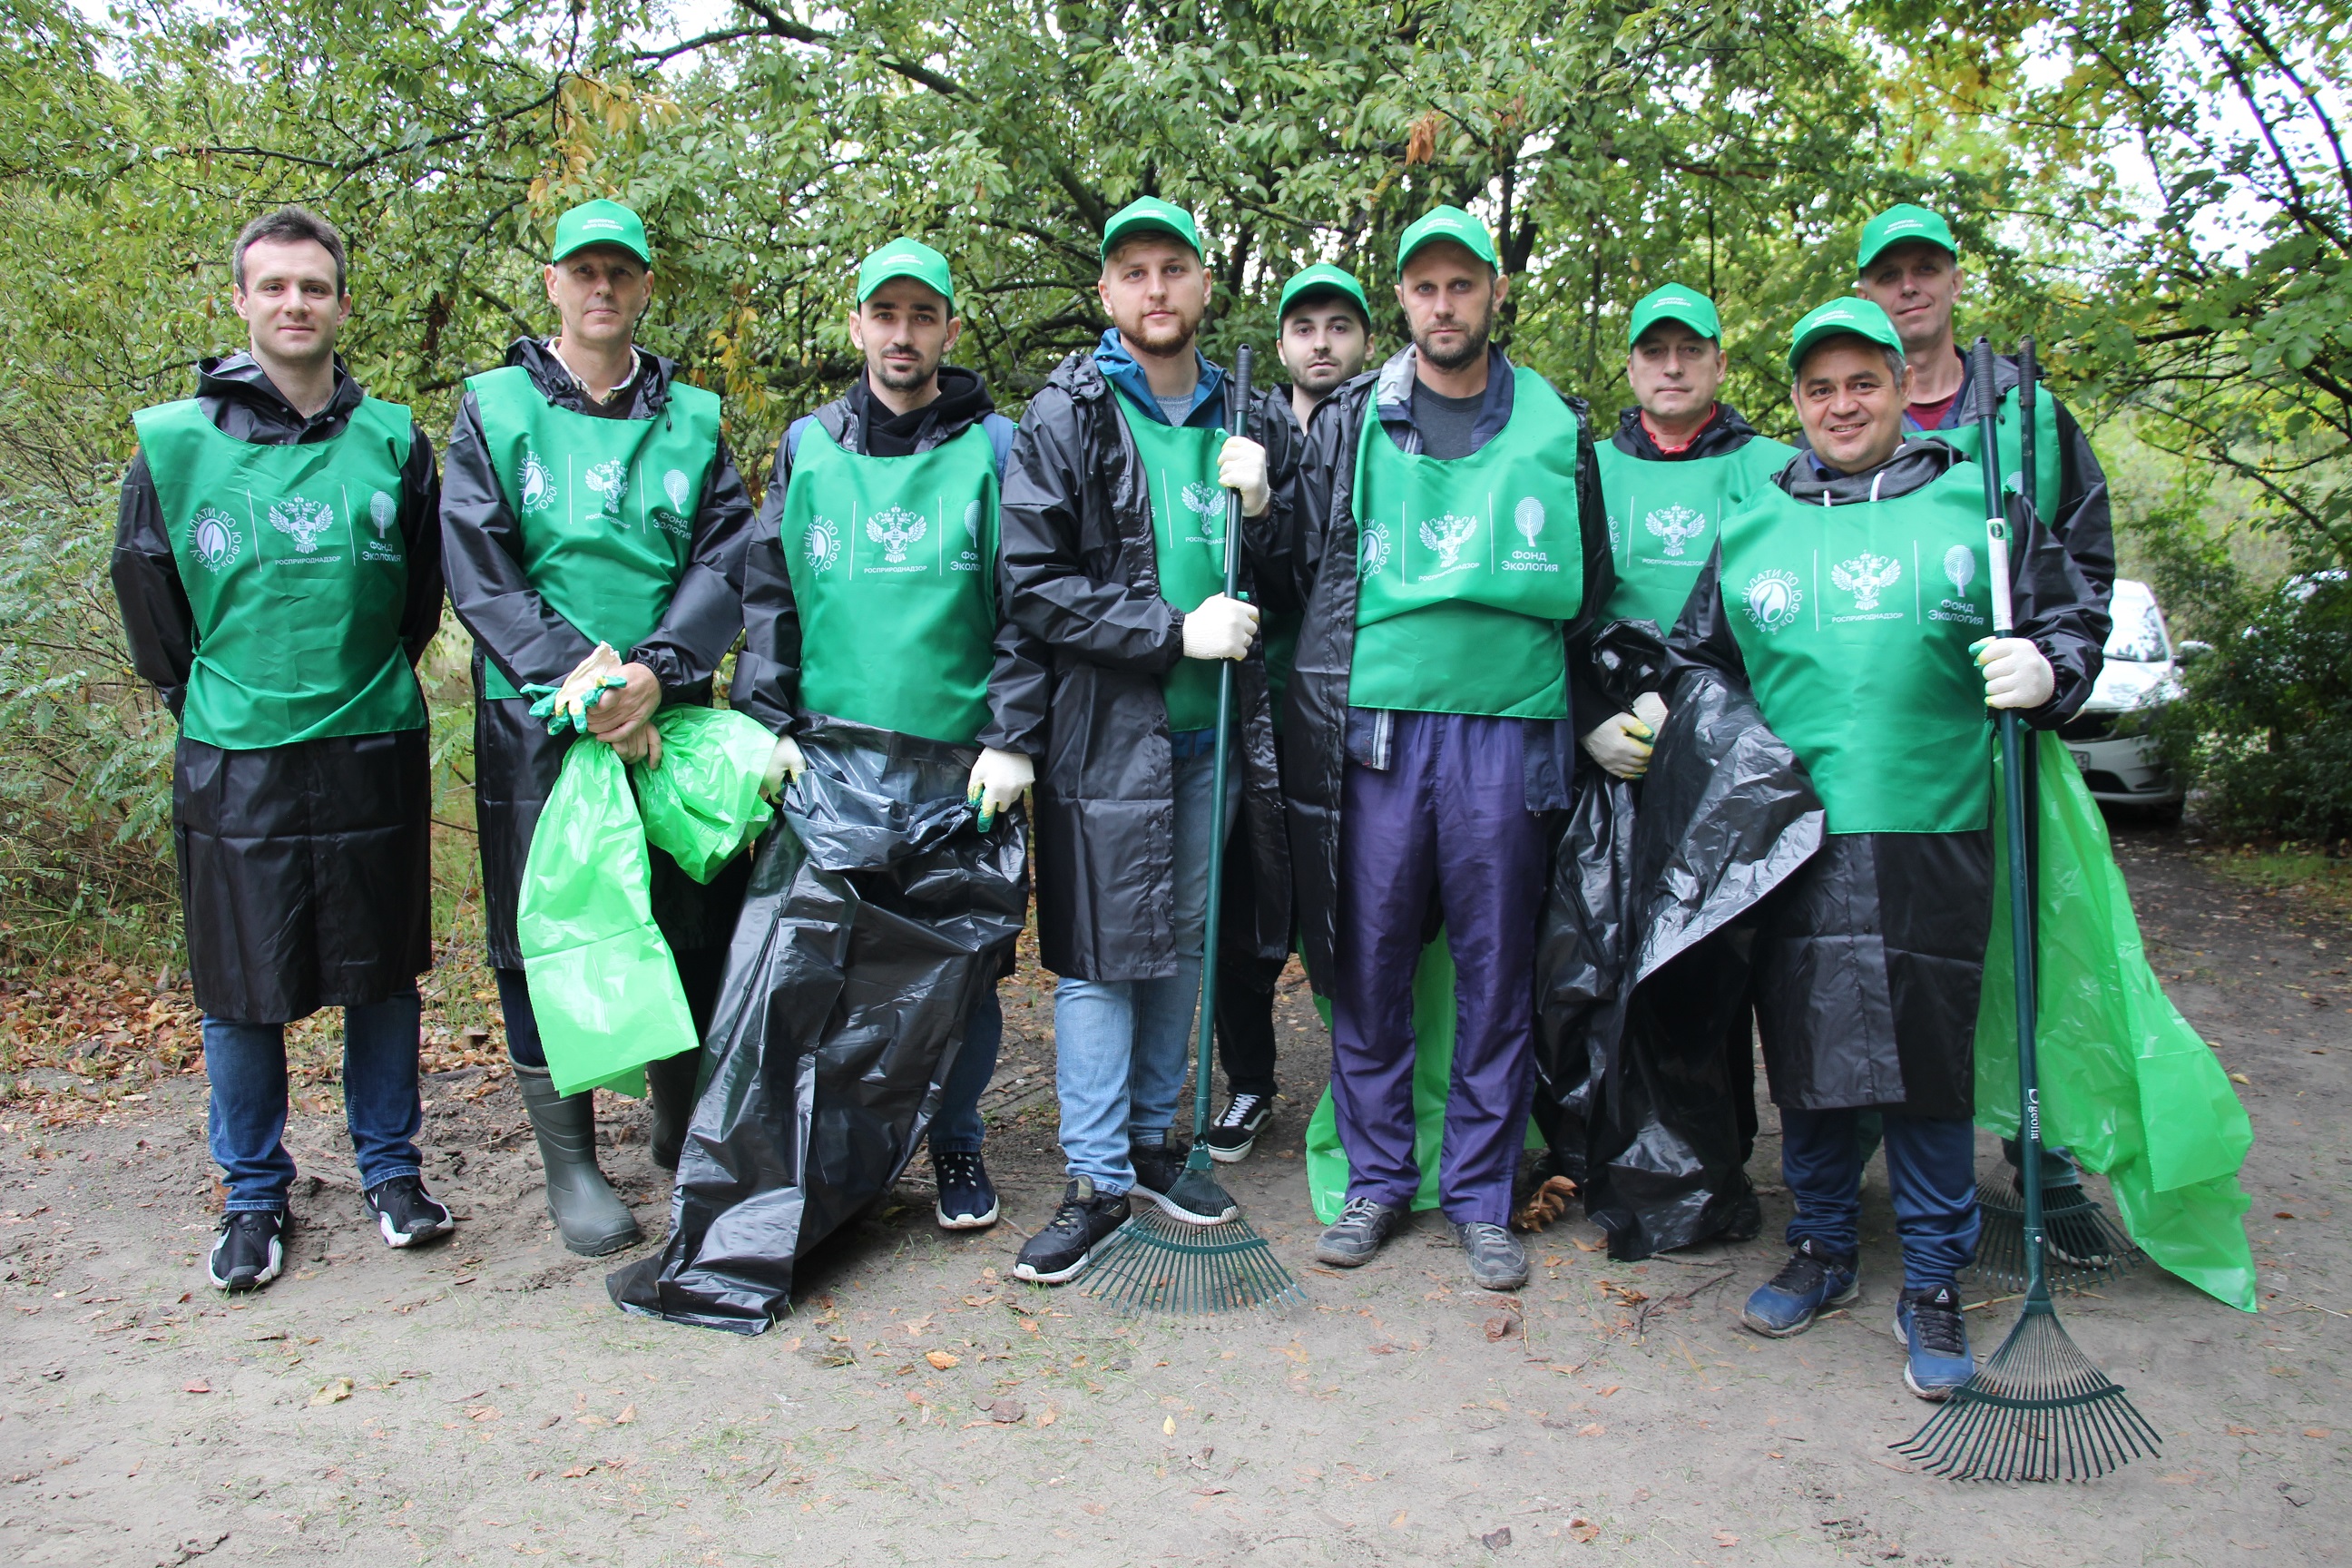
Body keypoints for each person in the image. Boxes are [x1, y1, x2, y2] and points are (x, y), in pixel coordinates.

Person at [1668, 299, 2106, 1399]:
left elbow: (2071, 622)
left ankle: (1934, 1278)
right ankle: (1820, 1246)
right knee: (1807, 1050)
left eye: (1862, 382)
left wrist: (2050, 674)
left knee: (1925, 1057)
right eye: (1819, 389)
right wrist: (1725, 742)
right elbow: (1696, 660)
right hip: (1794, 834)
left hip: (1935, 826)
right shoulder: (1756, 521)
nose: (1841, 405)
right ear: (1799, 405)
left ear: (1902, 389)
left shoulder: (1981, 506)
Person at [113, 206, 450, 1292]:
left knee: (382, 975)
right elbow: (153, 609)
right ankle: (252, 1196)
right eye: (275, 288)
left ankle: (392, 1174)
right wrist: (220, 700)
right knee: (241, 985)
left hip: (371, 739)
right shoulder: (172, 445)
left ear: (342, 304)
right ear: (242, 302)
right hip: (235, 754)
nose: (296, 304)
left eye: (315, 287)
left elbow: (419, 598)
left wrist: (355, 679)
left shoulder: (394, 438)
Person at [1285, 206, 1615, 1292]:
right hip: (1378, 729)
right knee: (1372, 968)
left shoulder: (1557, 425)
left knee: (1494, 974)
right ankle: (1380, 1181)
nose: (1443, 305)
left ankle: (1480, 1195)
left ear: (1494, 294)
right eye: (1424, 288)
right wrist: (1251, 501)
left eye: (1462, 285)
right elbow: (1300, 561)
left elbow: (1594, 587)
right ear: (1404, 301)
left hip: (1509, 731)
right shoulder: (1351, 420)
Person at [441, 199, 758, 1257]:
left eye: (622, 272)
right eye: (584, 271)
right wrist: (584, 686)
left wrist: (657, 677)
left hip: (668, 711)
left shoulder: (697, 422)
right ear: (553, 285)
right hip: (538, 723)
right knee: (546, 934)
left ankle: (679, 1112)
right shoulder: (493, 411)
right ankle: (571, 1163)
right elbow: (480, 568)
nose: (603, 290)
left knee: (689, 914)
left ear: (645, 288)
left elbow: (726, 557)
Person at [998, 197, 1293, 1284]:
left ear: (1204, 285)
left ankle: (1154, 1145)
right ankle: (1091, 1182)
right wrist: (1173, 630)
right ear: (1108, 295)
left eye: (1176, 268)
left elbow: (1301, 570)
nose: (1157, 288)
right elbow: (1034, 587)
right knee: (1094, 959)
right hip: (1104, 737)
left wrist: (1266, 506)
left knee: (1181, 941)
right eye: (1135, 272)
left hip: (1213, 736)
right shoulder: (1066, 414)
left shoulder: (1244, 414)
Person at [733, 237, 1044, 1232]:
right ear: (858, 324)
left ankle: (955, 1145)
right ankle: (837, 1157)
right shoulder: (808, 444)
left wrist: (1014, 732)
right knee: (825, 961)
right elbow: (770, 588)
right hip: (832, 756)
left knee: (963, 969)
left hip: (960, 765)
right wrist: (765, 720)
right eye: (886, 314)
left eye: (923, 315)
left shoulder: (997, 448)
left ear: (950, 329)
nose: (902, 333)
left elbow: (1022, 601)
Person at [1851, 202, 2117, 1208]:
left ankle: (2039, 1157)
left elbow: (2082, 569)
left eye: (1925, 269)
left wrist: (2056, 675)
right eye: (1889, 274)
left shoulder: (2027, 415)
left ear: (1956, 279)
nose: (1909, 287)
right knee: (1879, 945)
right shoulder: (1845, 409)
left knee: (2015, 940)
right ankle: (1873, 1142)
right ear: (1868, 292)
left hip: (1999, 732)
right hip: (1885, 738)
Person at [1590, 283, 1798, 1180]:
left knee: (1729, 959)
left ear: (1719, 362)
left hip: (1734, 759)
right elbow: (1564, 605)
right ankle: (1609, 1146)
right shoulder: (1585, 465)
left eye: (1690, 351)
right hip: (1619, 755)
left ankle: (1722, 1156)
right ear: (1631, 366)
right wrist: (1589, 718)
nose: (1671, 367)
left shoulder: (1776, 467)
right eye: (1653, 352)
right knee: (1614, 951)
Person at [1200, 262, 1372, 1163]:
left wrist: (1273, 507)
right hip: (1255, 702)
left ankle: (1370, 1089)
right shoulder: (1243, 421)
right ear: (1281, 345)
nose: (1322, 343)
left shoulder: (1390, 426)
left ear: (1365, 341)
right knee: (1242, 910)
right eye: (1304, 326)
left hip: (1355, 705)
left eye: (1340, 326)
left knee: (1359, 906)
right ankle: (1252, 1081)